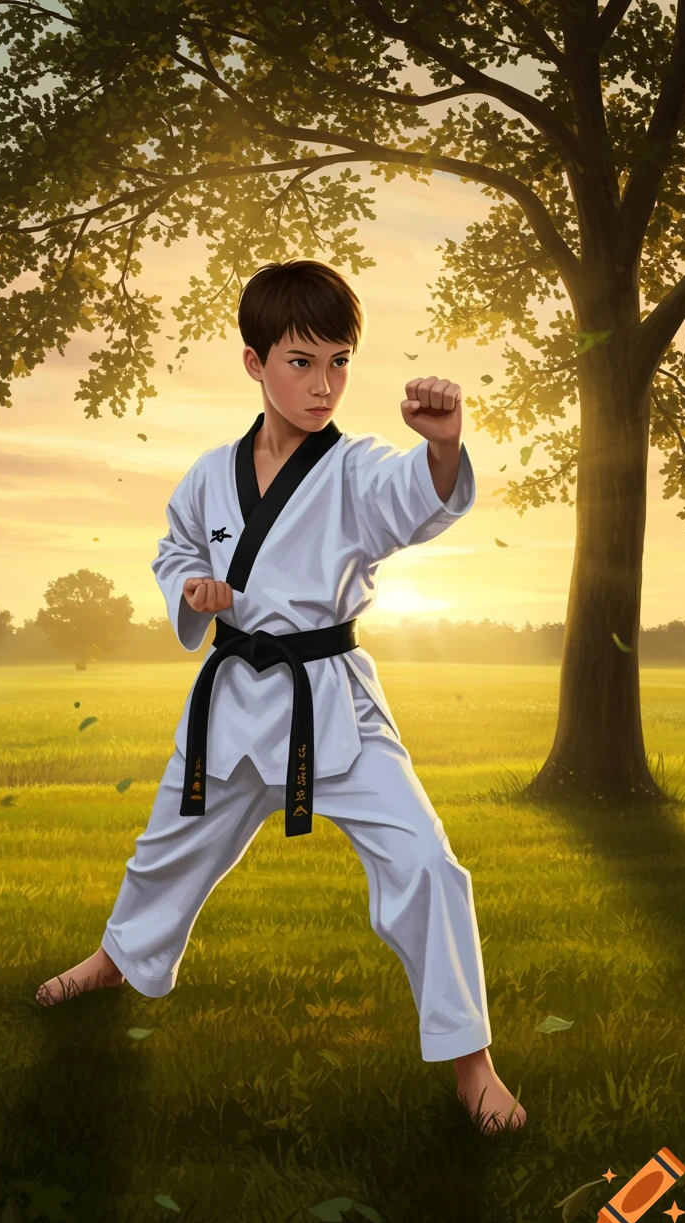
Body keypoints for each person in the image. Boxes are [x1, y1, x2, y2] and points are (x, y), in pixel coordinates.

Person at [36, 258, 526, 1135]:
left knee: (427, 865)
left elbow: (417, 498)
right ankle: (117, 959)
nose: (324, 384)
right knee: (166, 849)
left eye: (340, 361)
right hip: (230, 698)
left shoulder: (359, 471)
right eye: (301, 361)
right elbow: (176, 548)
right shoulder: (208, 475)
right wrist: (192, 588)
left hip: (327, 702)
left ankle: (471, 1062)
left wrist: (444, 445)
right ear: (254, 362)